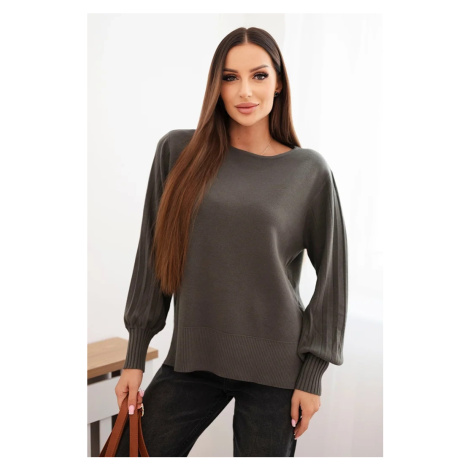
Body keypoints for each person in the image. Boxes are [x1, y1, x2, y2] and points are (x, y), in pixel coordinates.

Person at [112, 26, 348, 457]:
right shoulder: (177, 152)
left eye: (259, 75)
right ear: (215, 86)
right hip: (191, 359)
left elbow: (334, 279)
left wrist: (312, 375)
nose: (245, 91)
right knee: (130, 453)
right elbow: (153, 258)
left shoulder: (308, 171)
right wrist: (135, 356)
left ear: (279, 83)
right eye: (230, 77)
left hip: (278, 369)